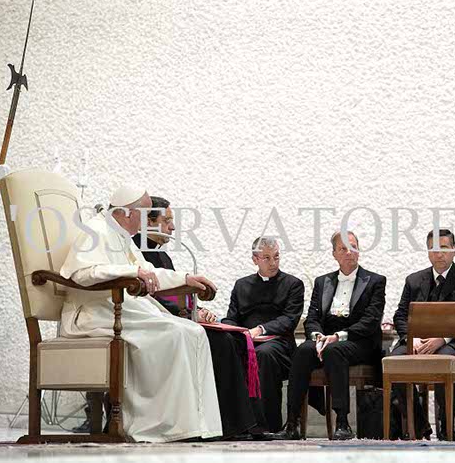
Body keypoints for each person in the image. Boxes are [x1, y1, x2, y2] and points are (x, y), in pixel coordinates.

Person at [59, 185, 221, 442]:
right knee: (173, 332)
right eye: (144, 215)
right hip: (94, 313)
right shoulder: (96, 231)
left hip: (120, 310)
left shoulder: (121, 236)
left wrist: (186, 277)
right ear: (126, 213)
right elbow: (81, 274)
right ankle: (150, 424)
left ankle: (189, 425)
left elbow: (148, 271)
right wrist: (129, 273)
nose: (147, 222)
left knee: (193, 331)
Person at [132, 196, 265, 440]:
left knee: (233, 341)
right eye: (167, 221)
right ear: (148, 222)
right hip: (151, 322)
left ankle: (239, 423)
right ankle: (227, 425)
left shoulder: (161, 255)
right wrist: (185, 311)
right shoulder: (138, 251)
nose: (172, 228)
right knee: (221, 343)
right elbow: (148, 294)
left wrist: (197, 309)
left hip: (176, 319)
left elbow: (174, 292)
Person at [272, 231, 386, 440]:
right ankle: (292, 423)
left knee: (335, 351)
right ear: (334, 254)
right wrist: (316, 336)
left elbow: (371, 320)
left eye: (353, 247)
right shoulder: (322, 281)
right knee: (303, 351)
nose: (349, 252)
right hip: (324, 338)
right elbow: (312, 316)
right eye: (343, 248)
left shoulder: (375, 281)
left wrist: (338, 336)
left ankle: (342, 421)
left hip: (358, 340)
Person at [389, 228, 455, 440]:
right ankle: (420, 423)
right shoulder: (414, 280)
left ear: (454, 250)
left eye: (444, 247)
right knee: (394, 360)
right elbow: (400, 315)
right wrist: (410, 338)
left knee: (445, 360)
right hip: (417, 340)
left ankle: (446, 426)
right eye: (433, 248)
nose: (439, 253)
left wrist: (442, 338)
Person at [222, 237, 305, 432]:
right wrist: (228, 328)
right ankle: (232, 426)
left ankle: (266, 425)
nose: (273, 263)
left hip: (279, 345)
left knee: (264, 354)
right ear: (255, 260)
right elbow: (232, 317)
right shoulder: (241, 285)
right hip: (247, 341)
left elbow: (289, 320)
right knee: (224, 347)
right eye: (266, 258)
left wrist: (260, 330)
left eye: (276, 257)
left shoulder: (293, 284)